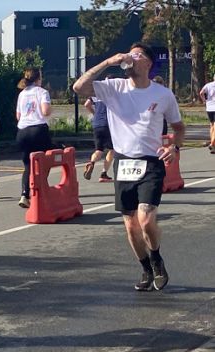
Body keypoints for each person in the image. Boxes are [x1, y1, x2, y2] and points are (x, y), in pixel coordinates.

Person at [73, 42, 185, 291]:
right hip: (124, 162)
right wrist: (107, 62)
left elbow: (179, 128)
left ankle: (156, 258)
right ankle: (145, 268)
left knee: (145, 219)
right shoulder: (114, 87)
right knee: (131, 226)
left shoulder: (163, 94)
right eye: (130, 53)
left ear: (148, 63)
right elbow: (79, 87)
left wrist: (174, 148)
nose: (131, 57)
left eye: (137, 54)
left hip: (151, 161)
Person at [16, 68, 52, 208]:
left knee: (28, 165)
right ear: (38, 79)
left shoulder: (22, 94)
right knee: (46, 160)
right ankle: (40, 190)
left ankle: (24, 195)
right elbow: (45, 111)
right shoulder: (42, 92)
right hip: (38, 129)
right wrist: (50, 110)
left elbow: (18, 116)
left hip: (22, 131)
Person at [83, 76, 115, 182]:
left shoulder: (97, 93)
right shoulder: (113, 93)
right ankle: (103, 174)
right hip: (108, 124)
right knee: (112, 149)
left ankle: (91, 163)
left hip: (96, 124)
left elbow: (87, 104)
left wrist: (94, 113)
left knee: (99, 150)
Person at [199, 74, 215, 153]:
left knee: (212, 125)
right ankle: (212, 143)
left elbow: (201, 92)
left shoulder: (208, 85)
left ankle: (213, 145)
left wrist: (204, 100)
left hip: (209, 107)